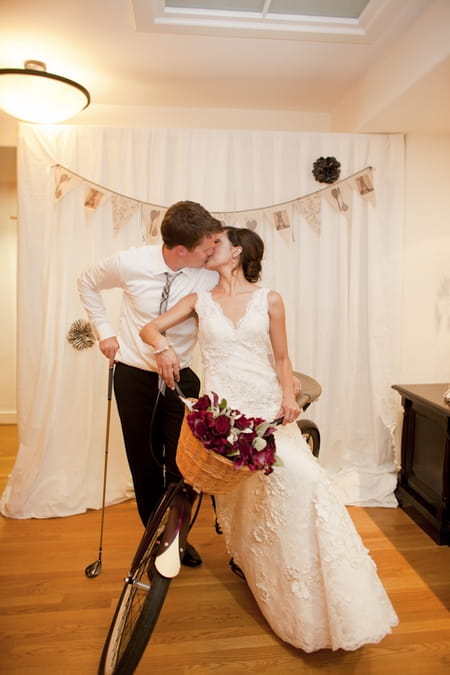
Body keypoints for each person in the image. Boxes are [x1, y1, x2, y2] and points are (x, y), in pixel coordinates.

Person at [139, 226, 399, 652]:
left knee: (305, 485)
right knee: (248, 500)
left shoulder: (270, 299)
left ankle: (324, 602)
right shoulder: (199, 300)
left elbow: (281, 357)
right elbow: (151, 329)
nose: (209, 248)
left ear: (237, 251)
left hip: (266, 409)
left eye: (217, 242)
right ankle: (259, 571)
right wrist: (163, 349)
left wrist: (286, 395)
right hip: (223, 412)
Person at [78, 200, 223, 567]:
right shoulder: (131, 262)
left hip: (182, 376)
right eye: (205, 246)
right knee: (143, 461)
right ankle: (157, 536)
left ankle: (177, 538)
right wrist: (105, 332)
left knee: (182, 464)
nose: (211, 251)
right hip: (133, 374)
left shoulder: (209, 275)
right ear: (180, 250)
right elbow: (87, 282)